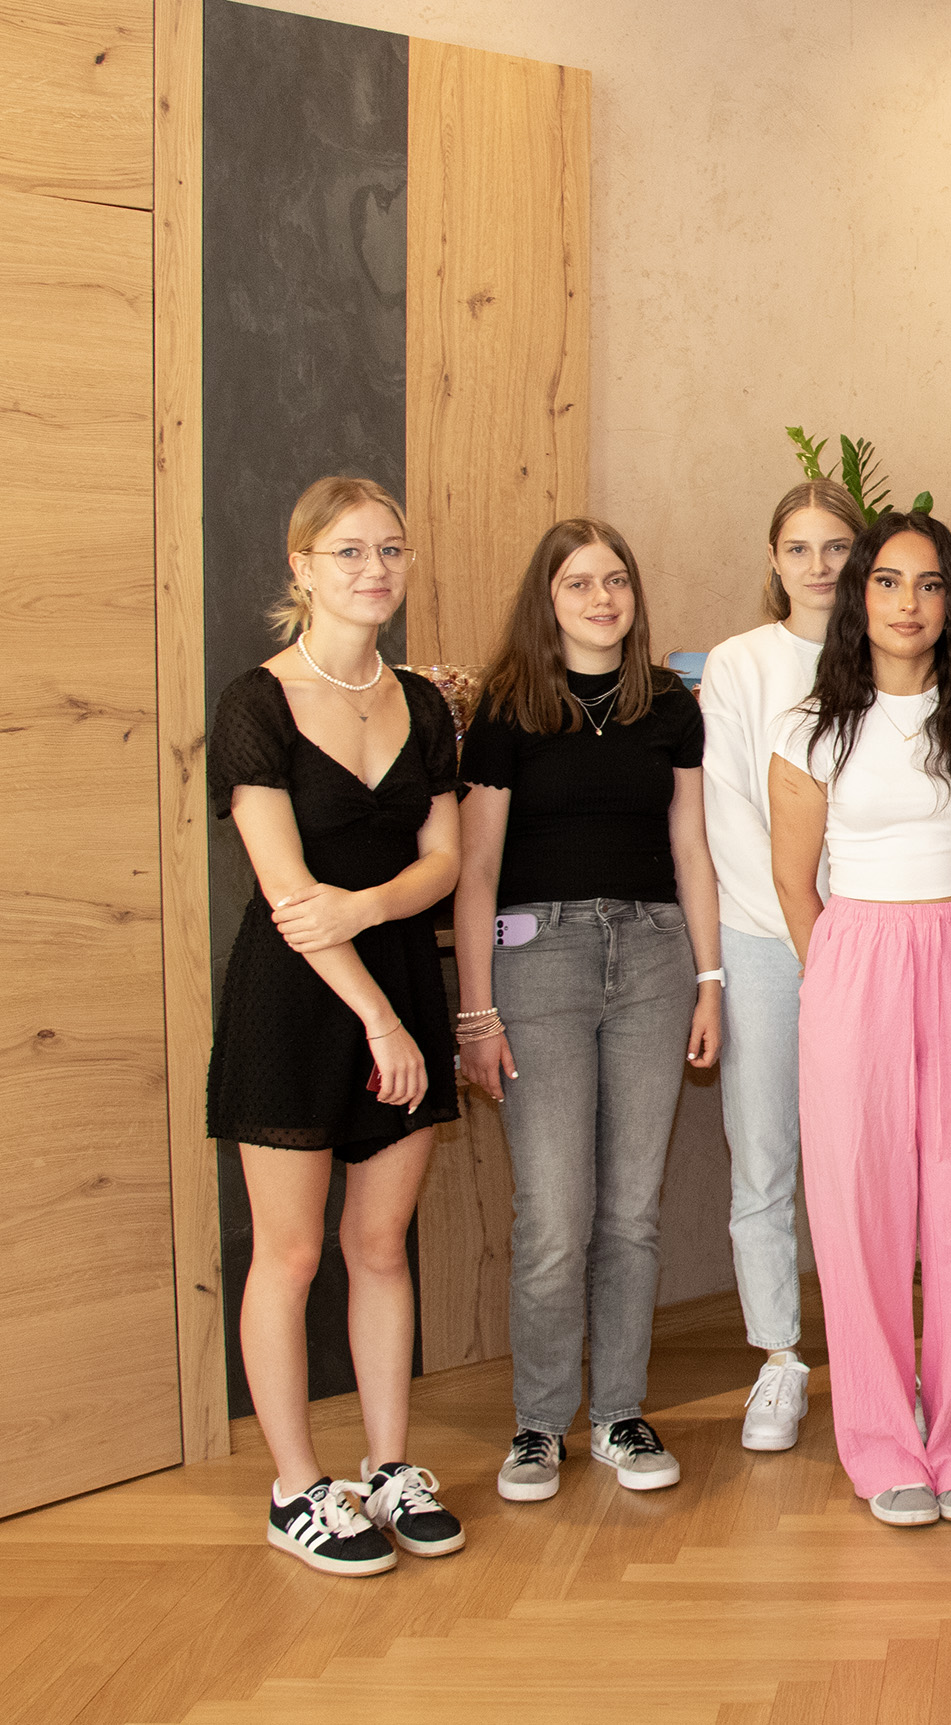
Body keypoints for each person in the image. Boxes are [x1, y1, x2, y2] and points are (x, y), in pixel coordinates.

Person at [208, 475, 465, 1575]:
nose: (376, 571)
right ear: (301, 566)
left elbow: (445, 861)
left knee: (377, 1246)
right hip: (298, 1001)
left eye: (392, 552)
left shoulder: (427, 700)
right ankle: (297, 1488)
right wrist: (380, 1023)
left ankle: (390, 1467)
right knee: (295, 1249)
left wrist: (369, 908)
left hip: (400, 973)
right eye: (351, 552)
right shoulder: (255, 704)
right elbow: (284, 893)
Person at [769, 510, 951, 1527]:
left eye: (928, 586)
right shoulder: (809, 728)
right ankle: (882, 1441)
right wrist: (842, 974)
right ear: (859, 596)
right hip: (852, 965)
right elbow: (796, 882)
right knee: (861, 1214)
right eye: (888, 582)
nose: (907, 603)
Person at [457, 518, 724, 1504]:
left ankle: (616, 1411)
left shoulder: (667, 706)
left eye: (616, 580)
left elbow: (692, 850)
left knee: (630, 1211)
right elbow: (477, 867)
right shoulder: (507, 707)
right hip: (540, 962)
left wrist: (709, 980)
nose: (602, 598)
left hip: (656, 957)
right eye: (579, 584)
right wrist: (475, 1014)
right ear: (549, 599)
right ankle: (536, 1427)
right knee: (554, 1214)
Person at [697, 481, 864, 1452]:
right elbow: (731, 813)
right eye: (797, 547)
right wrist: (803, 933)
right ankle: (779, 1361)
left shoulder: (891, 657)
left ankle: (869, 1352)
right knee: (763, 1156)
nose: (817, 565)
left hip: (875, 943)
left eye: (836, 546)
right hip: (768, 940)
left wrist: (854, 932)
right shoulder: (739, 664)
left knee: (862, 1160)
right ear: (773, 559)